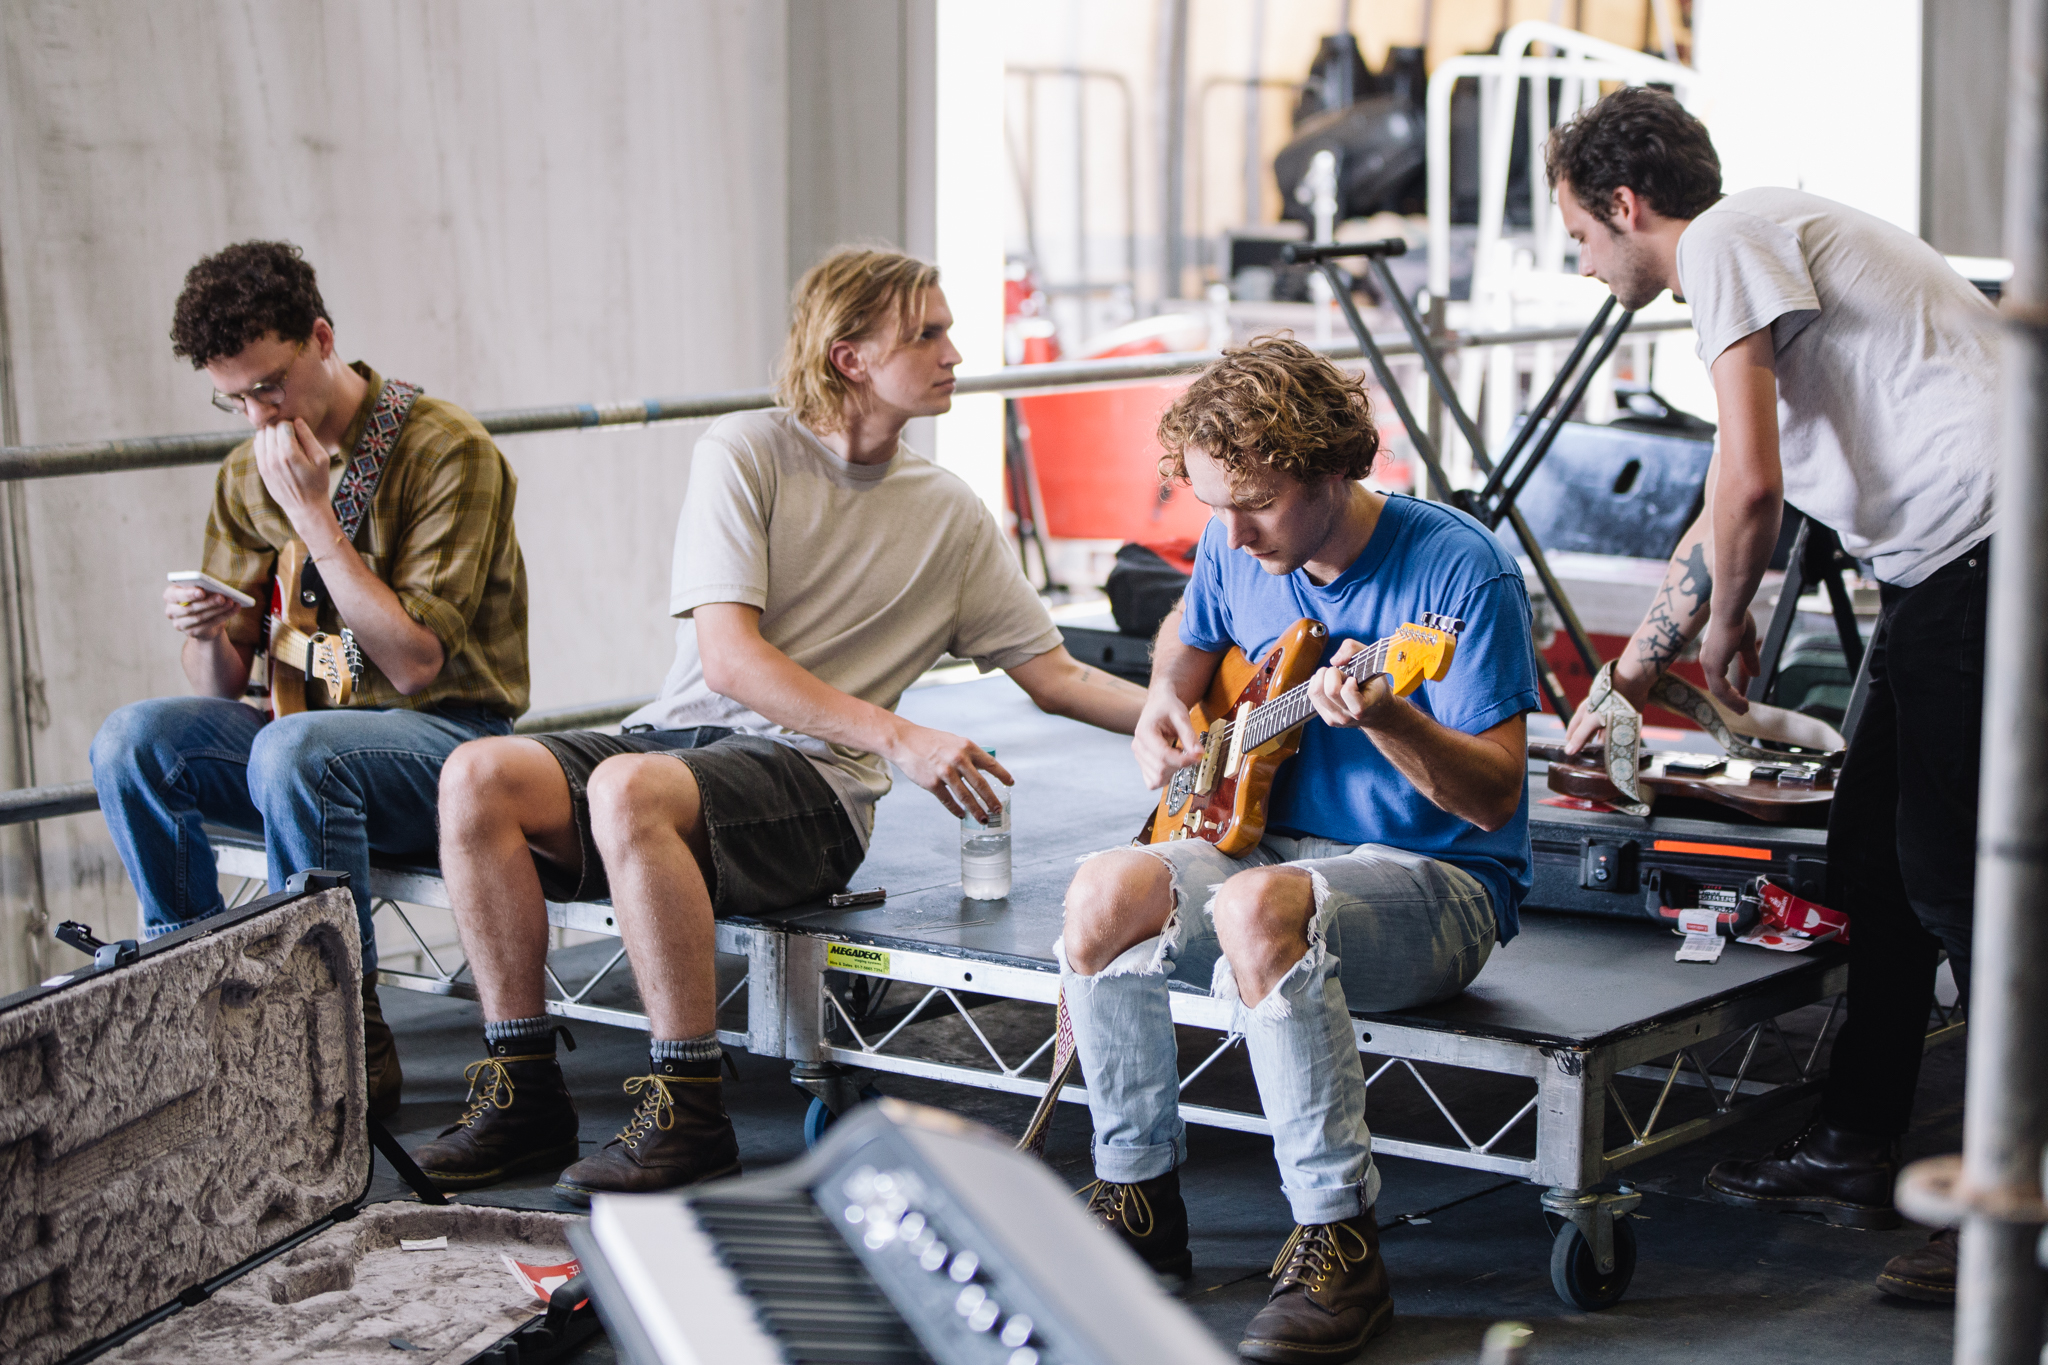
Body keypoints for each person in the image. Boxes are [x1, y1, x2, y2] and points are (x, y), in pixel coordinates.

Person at [411, 246, 1148, 1203]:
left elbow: (1054, 676)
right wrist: (903, 734)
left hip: (815, 785)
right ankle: (524, 1090)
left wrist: (1200, 715)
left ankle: (687, 1111)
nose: (955, 352)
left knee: (624, 789)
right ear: (850, 357)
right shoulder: (743, 450)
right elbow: (729, 661)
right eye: (927, 333)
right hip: (675, 745)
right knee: (476, 773)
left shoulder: (951, 514)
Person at [1548, 88, 1996, 1304]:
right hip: (1935, 572)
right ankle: (1856, 1143)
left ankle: (2010, 1207)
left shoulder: (1726, 236)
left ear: (1626, 207)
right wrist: (1636, 670)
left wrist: (1736, 619)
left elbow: (1748, 493)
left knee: (1968, 886)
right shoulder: (1755, 261)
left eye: (1580, 239)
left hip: (1993, 555)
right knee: (1871, 864)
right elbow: (1724, 501)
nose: (1584, 266)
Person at [1060, 337, 1539, 1363]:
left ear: (1335, 468)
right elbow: (1185, 647)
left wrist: (1390, 720)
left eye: (1257, 503)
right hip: (1264, 847)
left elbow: (1495, 801)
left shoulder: (1459, 570)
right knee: (1102, 890)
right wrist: (1161, 706)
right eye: (1209, 506)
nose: (1228, 534)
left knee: (1256, 906)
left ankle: (1339, 1244)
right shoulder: (1238, 543)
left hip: (1437, 881)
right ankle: (1137, 1201)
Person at [90, 240, 530, 1120]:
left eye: (270, 384)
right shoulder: (245, 471)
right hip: (300, 729)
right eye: (235, 398)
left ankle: (334, 1030)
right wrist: (211, 629)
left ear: (322, 338)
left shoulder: (447, 450)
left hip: (446, 738)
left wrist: (316, 518)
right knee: (131, 741)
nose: (258, 415)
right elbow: (221, 685)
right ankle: (193, 1001)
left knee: (297, 750)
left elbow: (414, 662)